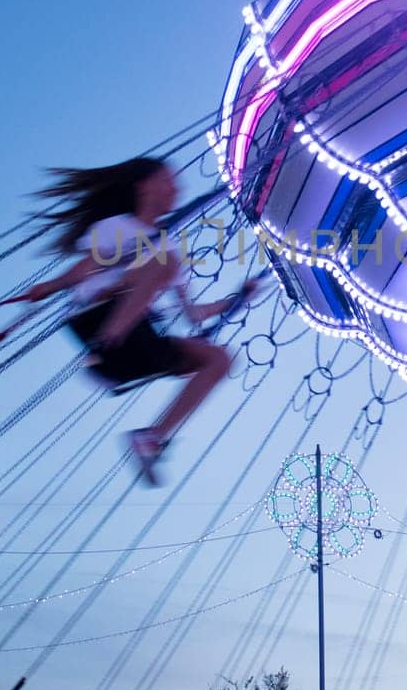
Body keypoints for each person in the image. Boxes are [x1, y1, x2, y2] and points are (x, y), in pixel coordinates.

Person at [24, 157, 257, 484]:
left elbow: (193, 313)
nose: (176, 188)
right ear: (143, 186)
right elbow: (85, 269)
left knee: (218, 358)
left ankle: (153, 438)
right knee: (163, 264)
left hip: (137, 336)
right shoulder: (117, 227)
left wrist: (238, 297)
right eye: (167, 180)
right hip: (97, 316)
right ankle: (106, 343)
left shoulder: (166, 246)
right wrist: (49, 287)